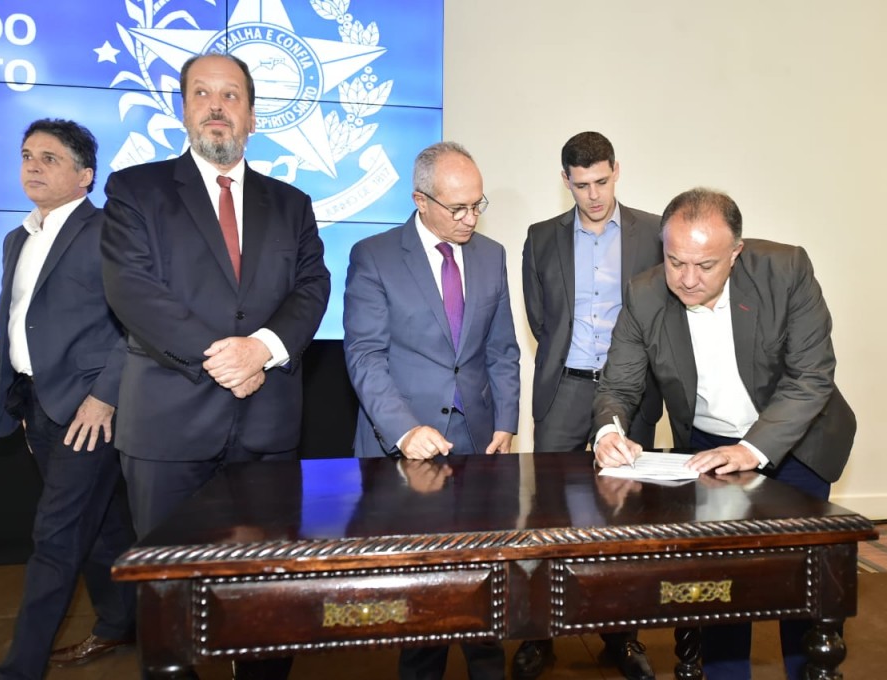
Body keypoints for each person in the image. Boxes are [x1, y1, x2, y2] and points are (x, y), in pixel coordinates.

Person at [100, 53, 330, 680]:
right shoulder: (135, 190)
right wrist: (227, 358)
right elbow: (133, 291)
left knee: (268, 596)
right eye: (202, 93)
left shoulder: (292, 203)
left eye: (231, 95)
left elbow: (311, 287)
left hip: (267, 430)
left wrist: (263, 349)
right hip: (168, 431)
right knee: (171, 601)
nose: (217, 106)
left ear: (252, 115)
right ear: (182, 108)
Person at [593, 187, 856, 680]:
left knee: (798, 588)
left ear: (735, 252)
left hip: (792, 443)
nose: (687, 279)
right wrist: (610, 429)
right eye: (675, 262)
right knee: (716, 587)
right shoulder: (645, 293)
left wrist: (753, 448)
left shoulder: (786, 270)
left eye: (705, 265)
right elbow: (619, 384)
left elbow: (811, 377)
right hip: (707, 449)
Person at [343, 141, 520, 679]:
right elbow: (365, 356)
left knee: (487, 586)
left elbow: (502, 350)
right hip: (408, 448)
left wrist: (507, 422)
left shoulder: (491, 256)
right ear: (421, 200)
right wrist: (403, 430)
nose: (471, 219)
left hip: (479, 444)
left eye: (478, 205)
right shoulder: (374, 256)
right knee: (424, 595)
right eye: (457, 208)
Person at [0, 119, 136, 679]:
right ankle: (122, 622)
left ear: (85, 176)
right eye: (27, 155)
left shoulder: (109, 232)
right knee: (100, 526)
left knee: (54, 538)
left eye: (50, 158)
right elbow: (16, 326)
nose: (33, 165)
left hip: (89, 411)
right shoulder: (17, 236)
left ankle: (18, 669)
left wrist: (104, 398)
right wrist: (20, 402)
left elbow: (136, 326)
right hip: (39, 406)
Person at [517, 131, 660, 680]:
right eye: (581, 186)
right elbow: (541, 319)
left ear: (616, 171)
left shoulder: (651, 231)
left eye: (602, 182)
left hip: (631, 393)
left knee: (624, 519)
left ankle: (621, 639)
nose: (594, 195)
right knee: (546, 517)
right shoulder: (541, 237)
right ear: (565, 181)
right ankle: (539, 637)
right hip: (565, 389)